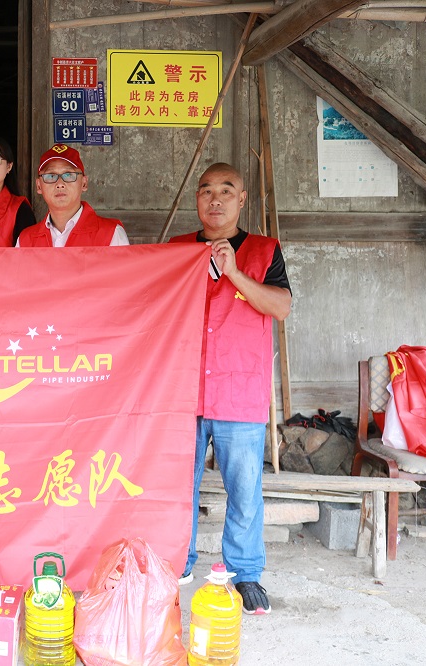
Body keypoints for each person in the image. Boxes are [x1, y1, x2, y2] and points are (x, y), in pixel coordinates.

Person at [170, 162, 292, 616]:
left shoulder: (264, 249)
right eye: (206, 191)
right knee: (177, 485)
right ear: (197, 199)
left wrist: (235, 273)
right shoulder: (176, 250)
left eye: (226, 191)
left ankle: (246, 573)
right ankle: (176, 561)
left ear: (241, 200)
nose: (215, 199)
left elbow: (280, 307)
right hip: (182, 388)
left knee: (244, 489)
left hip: (239, 387)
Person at [17, 143, 128, 247]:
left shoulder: (111, 233)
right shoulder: (25, 240)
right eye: (51, 176)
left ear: (84, 183)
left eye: (69, 175)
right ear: (39, 186)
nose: (60, 184)